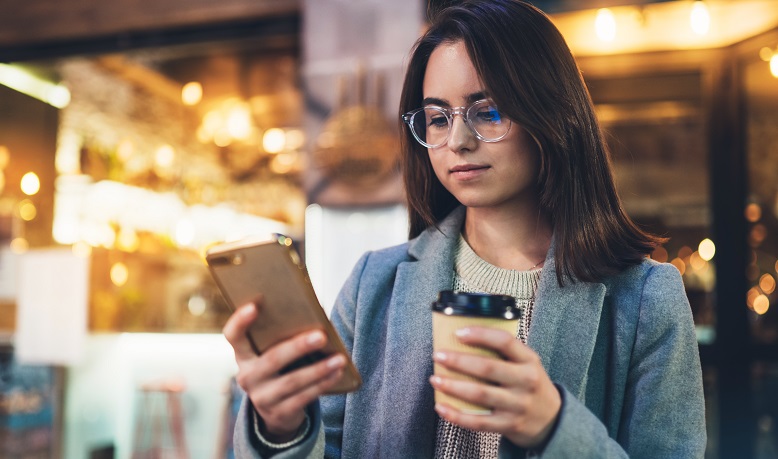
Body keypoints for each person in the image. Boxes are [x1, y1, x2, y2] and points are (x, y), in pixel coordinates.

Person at [223, 1, 707, 457]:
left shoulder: (645, 299)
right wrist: (280, 427)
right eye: (437, 118)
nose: (457, 140)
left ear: (552, 114)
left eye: (488, 111)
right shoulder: (375, 283)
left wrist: (555, 426)